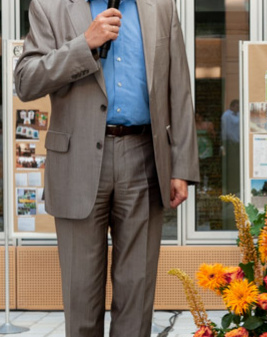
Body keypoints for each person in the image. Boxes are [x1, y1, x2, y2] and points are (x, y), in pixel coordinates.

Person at [14, 0, 200, 336]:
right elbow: (26, 81)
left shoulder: (161, 7)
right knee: (81, 297)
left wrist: (181, 166)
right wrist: (83, 43)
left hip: (144, 157)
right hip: (76, 162)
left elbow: (179, 88)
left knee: (137, 296)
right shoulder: (49, 7)